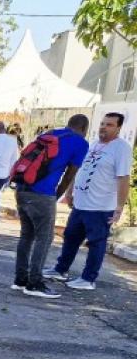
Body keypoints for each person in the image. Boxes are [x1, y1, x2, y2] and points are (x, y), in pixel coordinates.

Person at [45, 112, 131, 291]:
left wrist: (119, 207)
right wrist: (69, 191)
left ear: (118, 128)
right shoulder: (93, 145)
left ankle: (88, 278)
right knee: (70, 237)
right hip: (81, 203)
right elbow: (79, 169)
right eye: (102, 123)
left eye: (109, 125)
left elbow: (123, 178)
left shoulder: (121, 148)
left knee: (96, 243)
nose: (103, 127)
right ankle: (61, 269)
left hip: (100, 206)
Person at [12, 113, 90, 298]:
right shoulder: (80, 143)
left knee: (26, 236)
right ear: (84, 129)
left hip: (22, 188)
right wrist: (57, 195)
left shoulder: (52, 134)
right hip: (42, 193)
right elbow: (70, 174)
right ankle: (34, 283)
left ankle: (20, 279)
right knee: (44, 238)